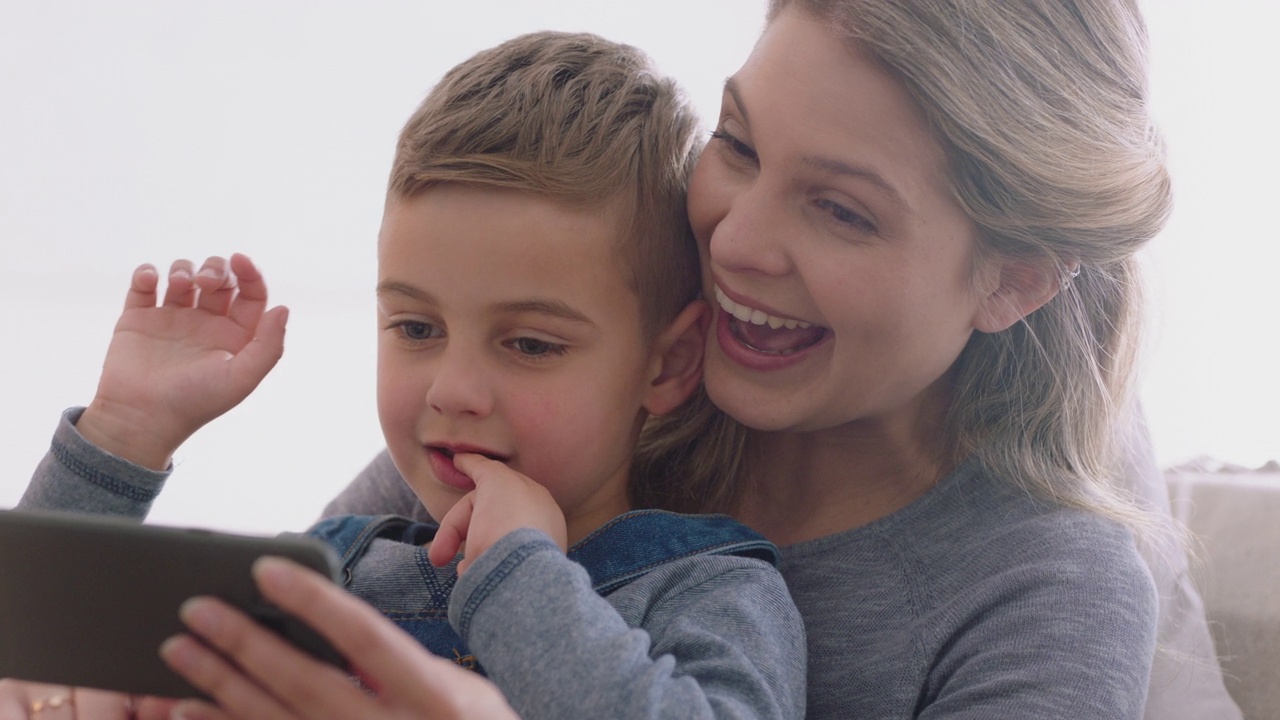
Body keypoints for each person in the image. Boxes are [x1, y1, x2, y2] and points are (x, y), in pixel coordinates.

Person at [10, 0, 1245, 718]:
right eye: (743, 146)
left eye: (844, 211)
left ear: (1014, 278)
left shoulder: (1041, 587)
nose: (735, 241)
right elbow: (88, 648)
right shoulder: (554, 420)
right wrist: (116, 456)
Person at [10, 31, 806, 720]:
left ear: (666, 364)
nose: (451, 389)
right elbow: (29, 651)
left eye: (529, 344)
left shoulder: (708, 592)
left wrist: (519, 577)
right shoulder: (334, 567)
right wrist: (124, 436)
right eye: (417, 328)